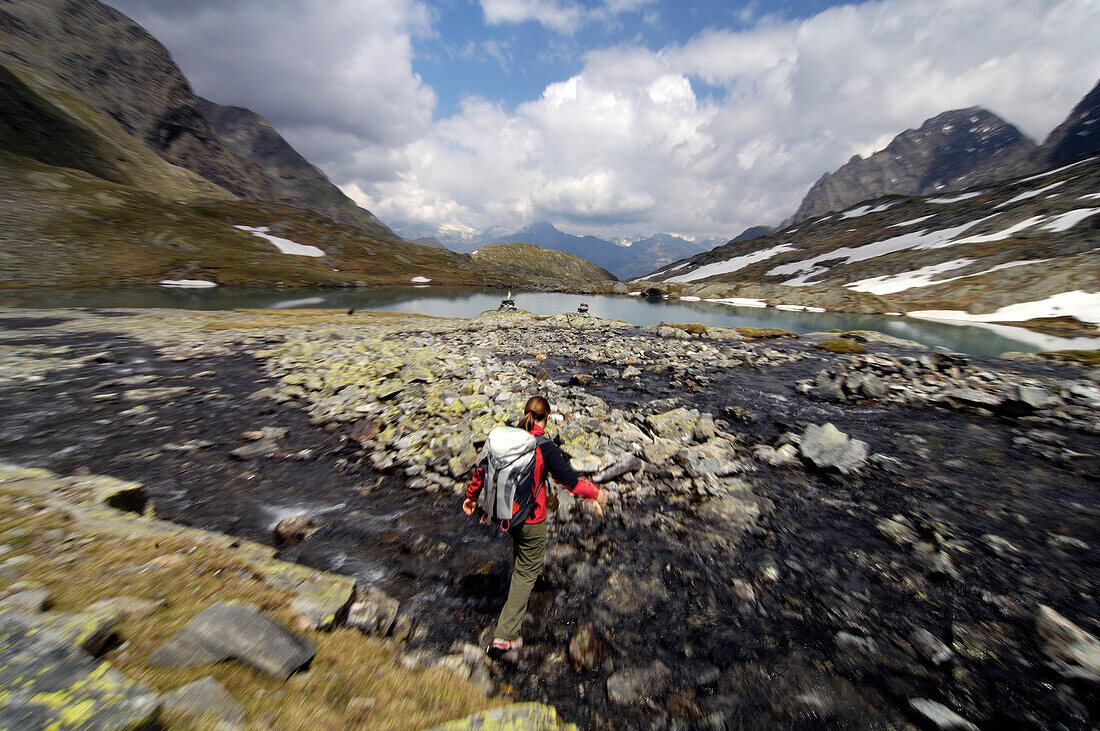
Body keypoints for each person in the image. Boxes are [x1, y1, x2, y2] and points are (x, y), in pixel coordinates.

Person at [463, 395, 608, 658]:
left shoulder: (508, 440)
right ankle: (505, 637)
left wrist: (471, 497)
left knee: (521, 560)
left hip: (506, 514)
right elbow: (571, 483)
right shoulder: (543, 446)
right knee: (526, 574)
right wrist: (596, 493)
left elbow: (482, 470)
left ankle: (509, 618)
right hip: (532, 518)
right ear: (548, 417)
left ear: (526, 413)